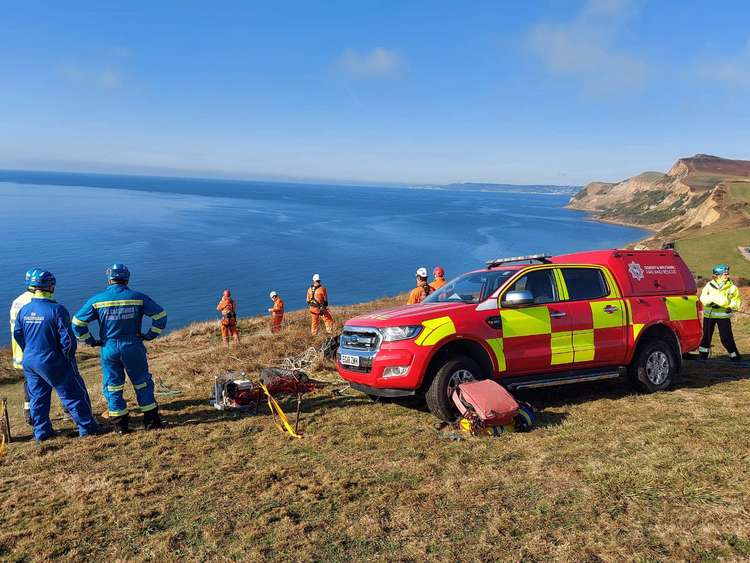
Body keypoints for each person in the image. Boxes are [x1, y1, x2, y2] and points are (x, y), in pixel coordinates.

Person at [72, 264, 167, 434]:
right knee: (142, 383)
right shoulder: (138, 297)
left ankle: (120, 426)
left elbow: (78, 324)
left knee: (113, 385)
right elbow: (160, 316)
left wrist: (91, 341)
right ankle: (151, 422)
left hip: (109, 347)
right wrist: (150, 335)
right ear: (127, 279)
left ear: (109, 280)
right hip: (133, 346)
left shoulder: (97, 300)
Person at [12, 270, 99, 441]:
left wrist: (28, 350)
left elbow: (18, 334)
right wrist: (66, 358)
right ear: (50, 286)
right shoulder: (57, 309)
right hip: (52, 359)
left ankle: (42, 433)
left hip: (30, 360)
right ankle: (87, 429)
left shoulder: (24, 309)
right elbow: (68, 340)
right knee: (72, 395)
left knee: (37, 398)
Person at [698, 264, 742, 361]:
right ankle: (702, 357)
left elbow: (736, 300)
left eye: (728, 274)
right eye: (725, 274)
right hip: (709, 316)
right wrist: (710, 303)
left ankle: (735, 357)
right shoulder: (709, 285)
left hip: (724, 316)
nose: (728, 276)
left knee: (726, 338)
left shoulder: (732, 287)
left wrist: (732, 307)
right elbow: (703, 297)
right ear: (718, 275)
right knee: (706, 337)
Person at [10, 268, 37, 425]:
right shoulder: (35, 302)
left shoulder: (17, 301)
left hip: (20, 352)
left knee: (29, 382)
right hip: (33, 351)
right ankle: (68, 410)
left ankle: (28, 412)